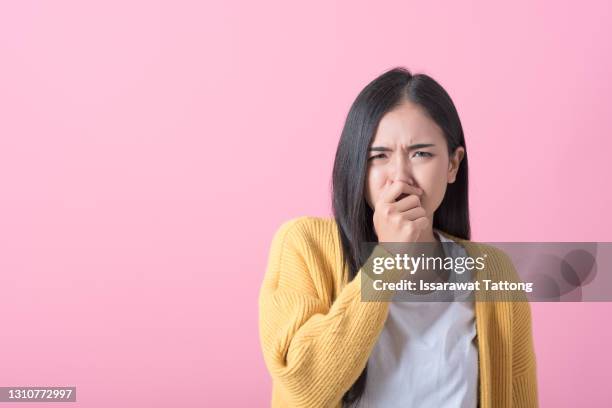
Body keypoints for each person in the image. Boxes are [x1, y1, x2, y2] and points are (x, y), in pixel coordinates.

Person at [258, 67, 538, 407]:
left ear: (452, 164)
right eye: (379, 156)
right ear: (357, 167)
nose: (400, 177)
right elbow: (304, 386)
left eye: (421, 154)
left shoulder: (493, 271)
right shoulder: (304, 245)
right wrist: (388, 258)